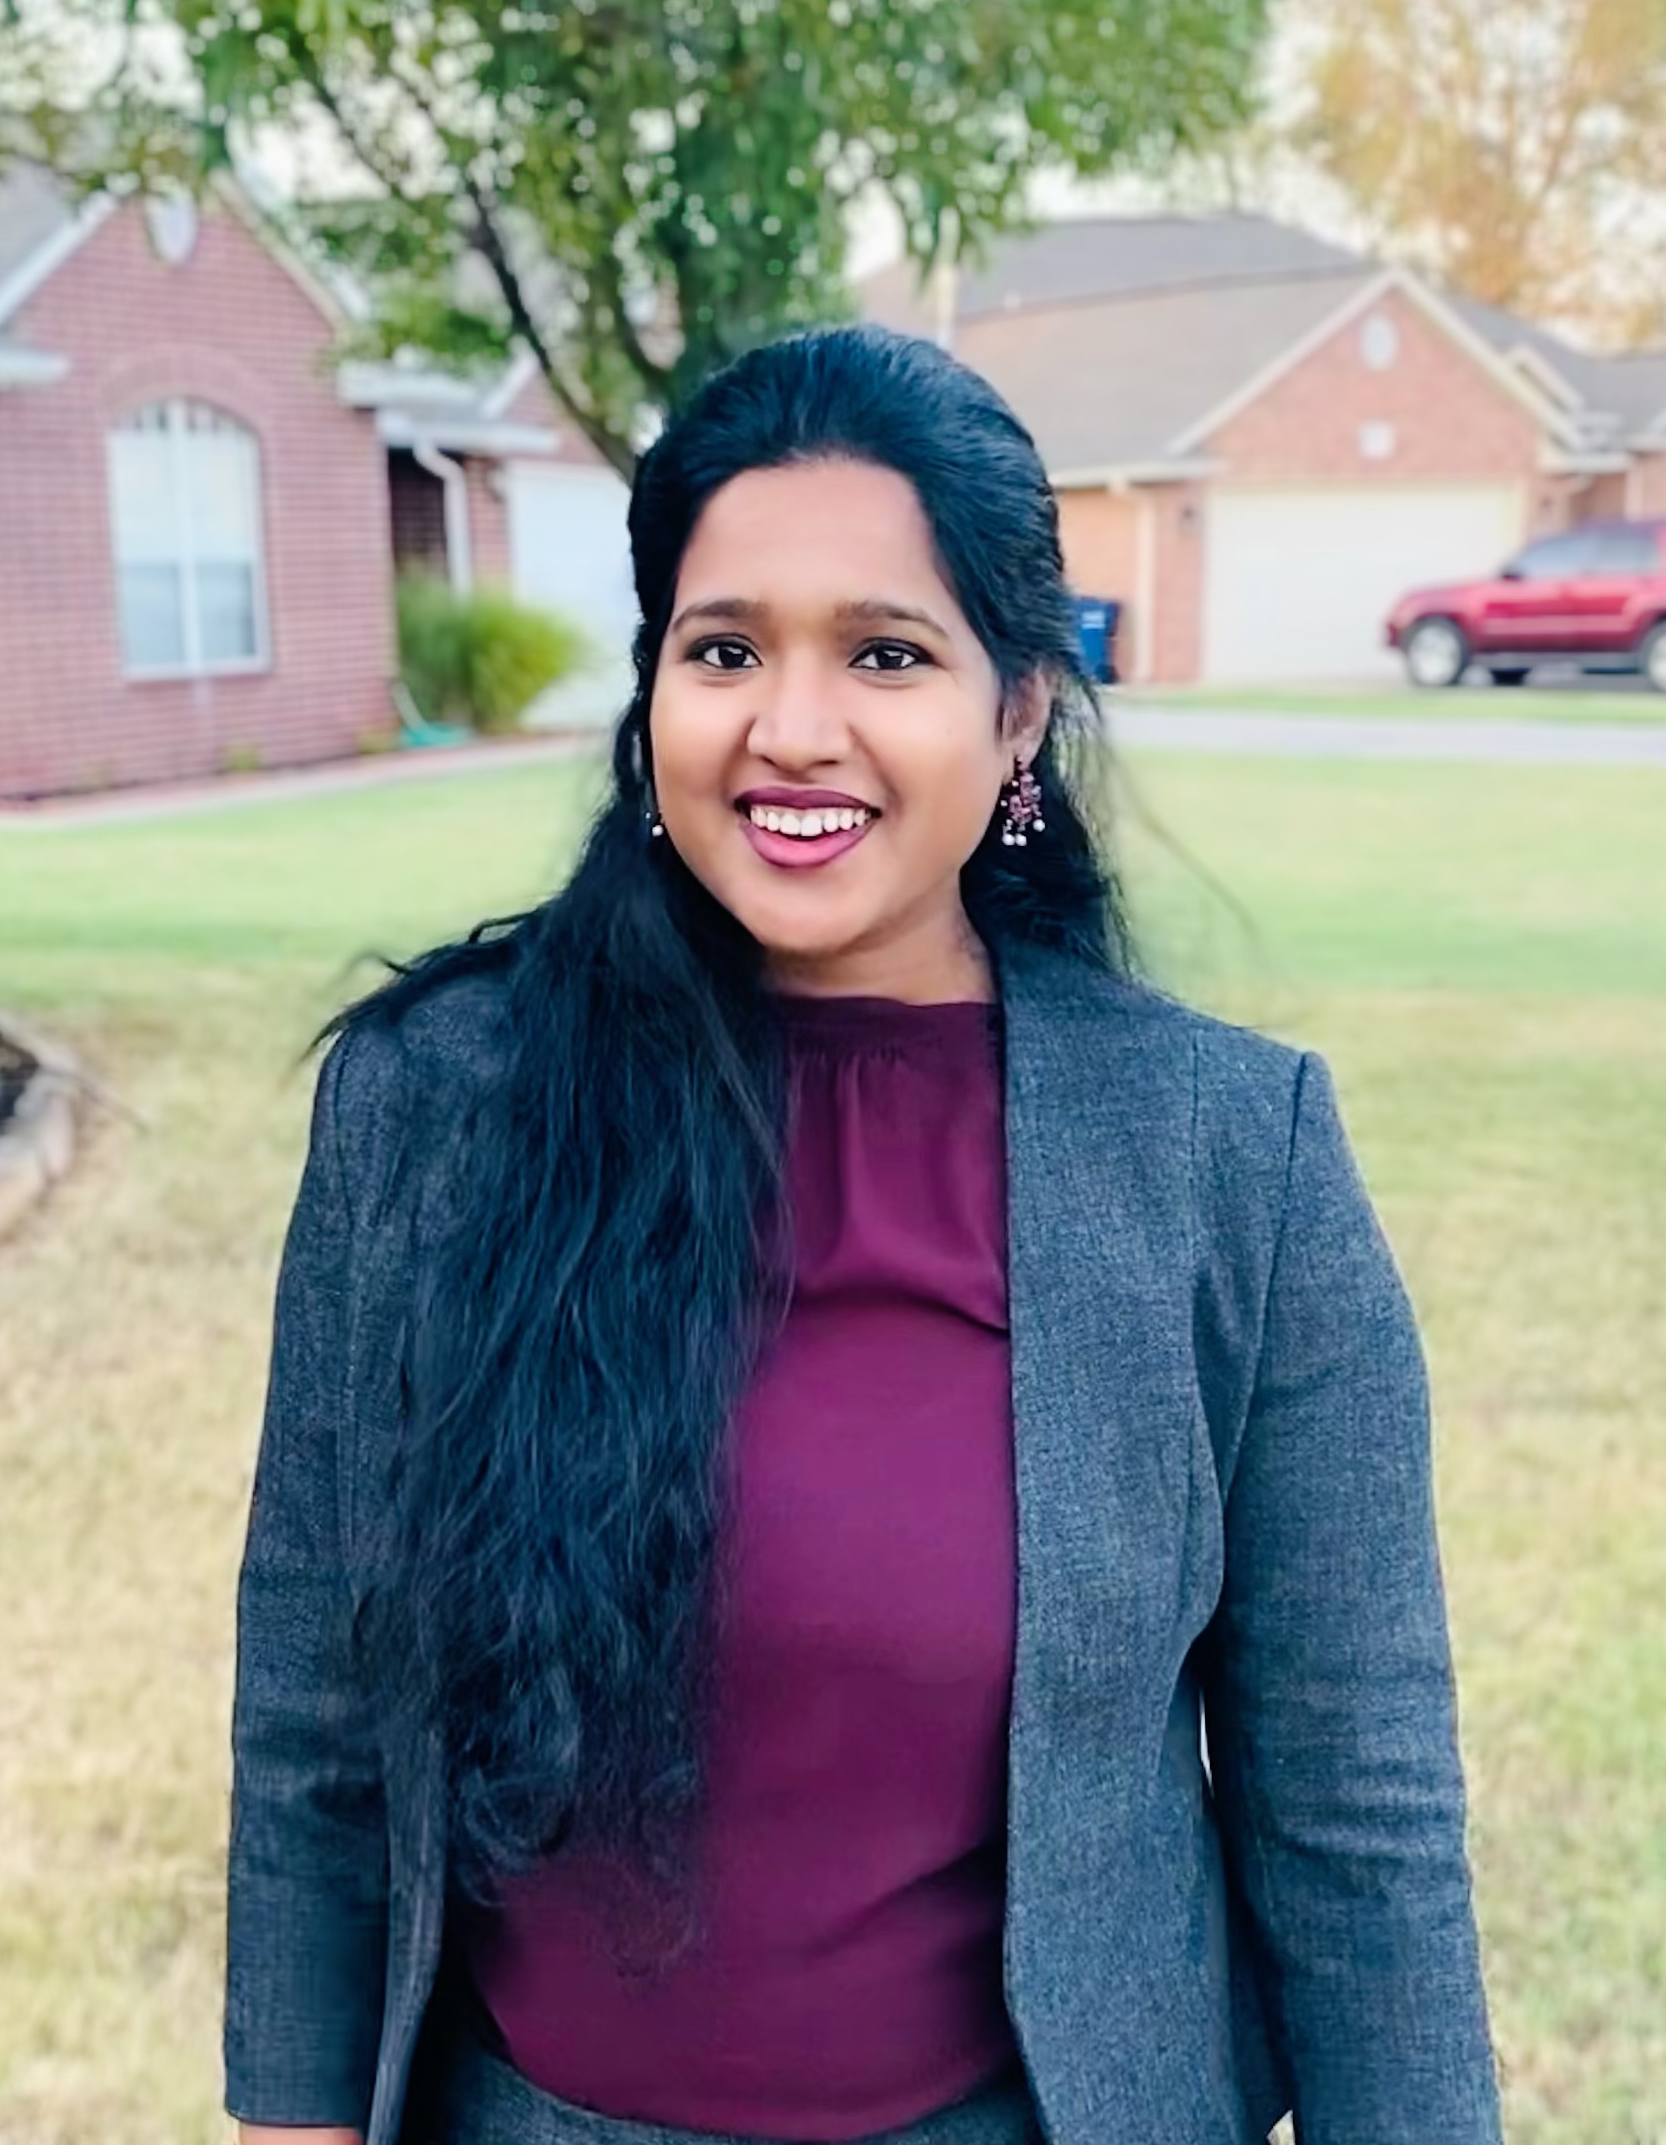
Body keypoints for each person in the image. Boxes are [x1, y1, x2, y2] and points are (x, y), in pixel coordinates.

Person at [223, 326, 1505, 2145]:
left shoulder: (1232, 1159)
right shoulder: (438, 1106)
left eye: (885, 653)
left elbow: (1355, 1809)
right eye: (723, 646)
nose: (790, 726)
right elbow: (318, 1714)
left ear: (1014, 715)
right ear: (651, 688)